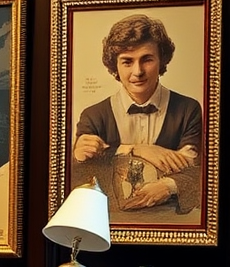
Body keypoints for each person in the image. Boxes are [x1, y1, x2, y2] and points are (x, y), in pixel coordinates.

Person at [72, 14, 202, 213]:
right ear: (114, 65)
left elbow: (196, 171)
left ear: (162, 60)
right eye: (127, 62)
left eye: (147, 59)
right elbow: (83, 174)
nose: (138, 71)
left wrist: (167, 186)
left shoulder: (188, 109)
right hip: (109, 220)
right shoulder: (93, 115)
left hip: (172, 221)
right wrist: (136, 149)